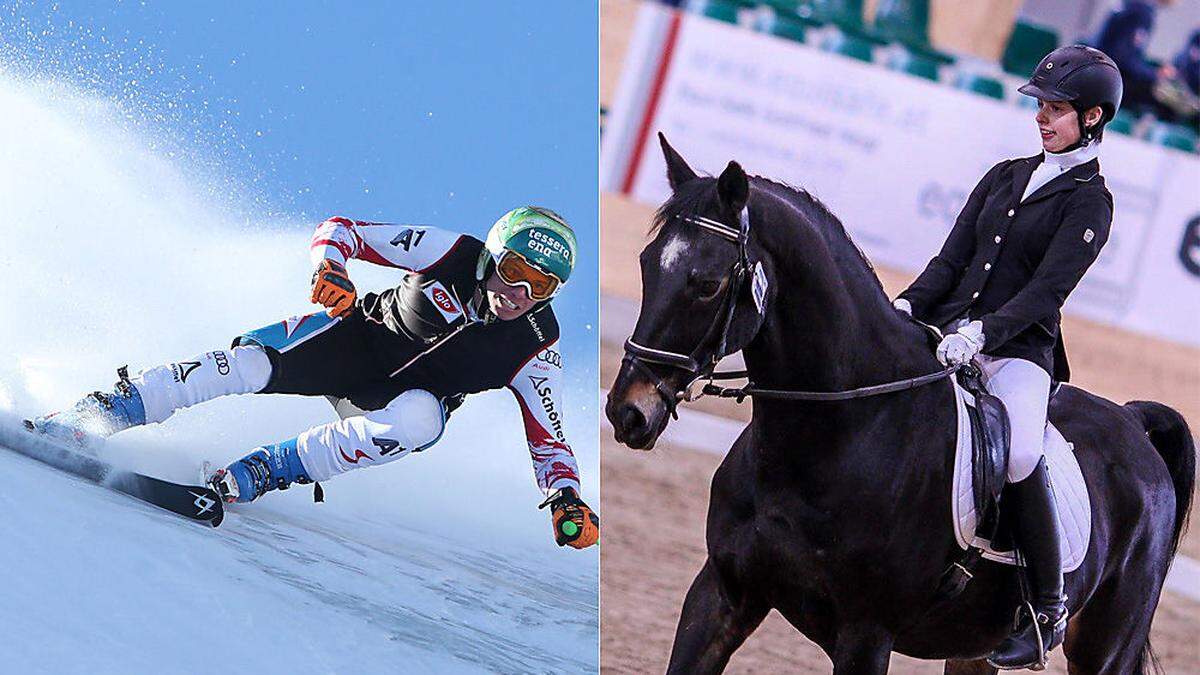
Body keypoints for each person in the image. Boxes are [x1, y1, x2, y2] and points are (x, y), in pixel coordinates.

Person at [31, 206, 599, 550]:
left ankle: (253, 474)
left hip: (396, 397)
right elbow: (342, 228)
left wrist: (565, 499)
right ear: (491, 257)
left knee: (422, 422)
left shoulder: (536, 345)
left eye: (540, 287)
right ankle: (92, 416)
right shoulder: (451, 250)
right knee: (244, 365)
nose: (517, 295)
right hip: (351, 341)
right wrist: (330, 268)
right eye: (515, 272)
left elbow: (549, 439)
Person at [893, 45, 1120, 669]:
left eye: (1056, 109)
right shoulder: (1003, 175)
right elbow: (950, 260)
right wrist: (909, 308)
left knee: (1020, 450)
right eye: (1040, 106)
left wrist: (984, 333)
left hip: (1017, 353)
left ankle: (1045, 608)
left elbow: (1046, 292)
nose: (1042, 118)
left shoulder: (1090, 202)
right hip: (946, 334)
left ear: (1093, 117)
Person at [1091, 0, 1175, 116]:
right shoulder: (1141, 11)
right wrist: (1155, 74)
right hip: (1111, 78)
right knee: (1170, 100)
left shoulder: (1131, 4)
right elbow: (1124, 58)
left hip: (1099, 68)